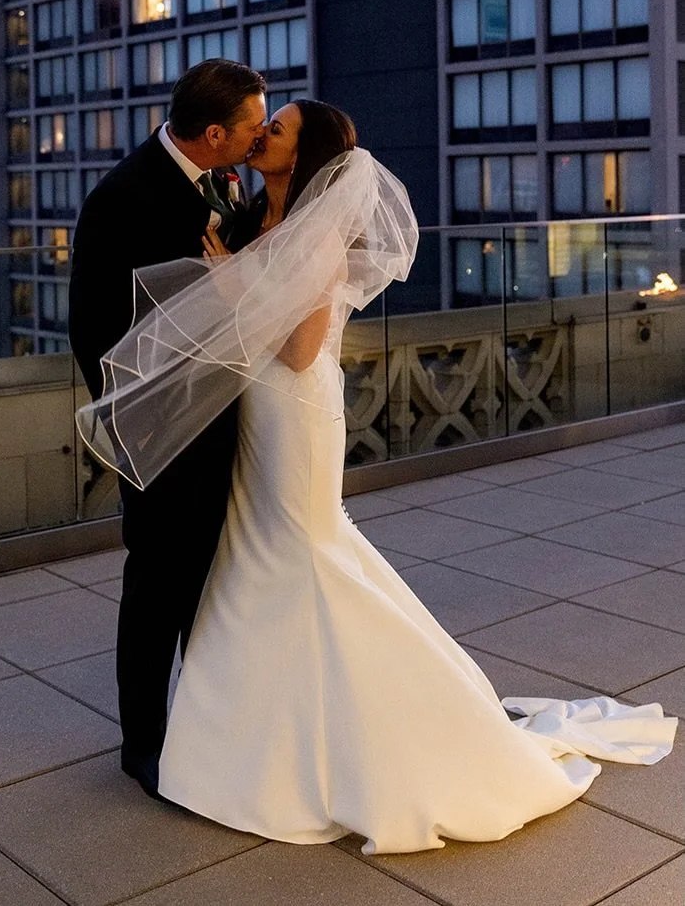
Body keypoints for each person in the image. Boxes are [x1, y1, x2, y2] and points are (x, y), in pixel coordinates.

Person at [80, 100, 676, 852]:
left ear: (303, 156)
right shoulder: (249, 214)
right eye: (262, 124)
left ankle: (371, 723)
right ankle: (259, 730)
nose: (262, 135)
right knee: (260, 555)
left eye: (276, 129)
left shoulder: (321, 232)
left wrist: (229, 281)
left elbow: (299, 349)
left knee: (302, 549)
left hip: (294, 410)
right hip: (254, 409)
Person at [68, 58, 267, 799]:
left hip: (222, 414)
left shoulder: (222, 182)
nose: (257, 139)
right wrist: (142, 426)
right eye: (251, 127)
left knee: (209, 579)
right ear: (213, 134)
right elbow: (94, 330)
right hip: (160, 429)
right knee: (156, 585)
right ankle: (144, 745)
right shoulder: (123, 196)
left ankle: (204, 724)